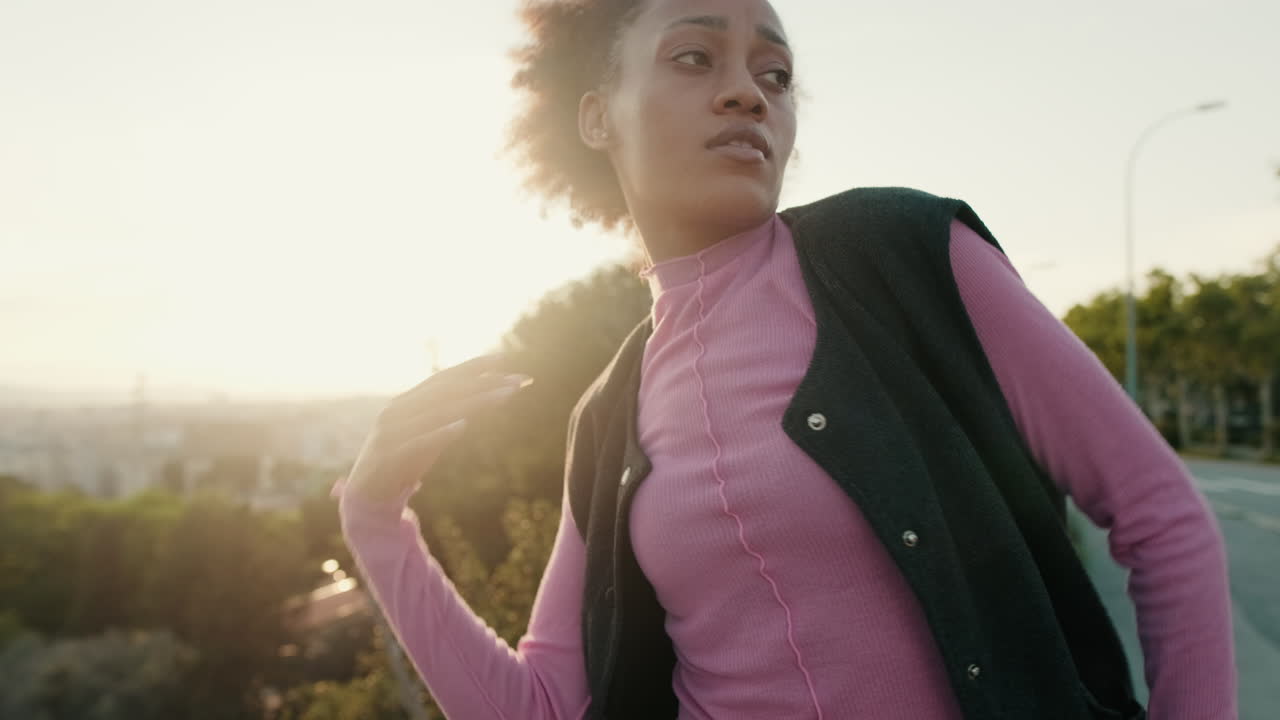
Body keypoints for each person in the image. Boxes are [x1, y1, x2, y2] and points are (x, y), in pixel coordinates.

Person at [331, 0, 1236, 718]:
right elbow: (540, 709)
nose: (748, 93)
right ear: (598, 116)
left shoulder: (904, 255)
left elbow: (1160, 516)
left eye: (776, 74)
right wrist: (374, 518)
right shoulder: (607, 419)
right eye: (696, 58)